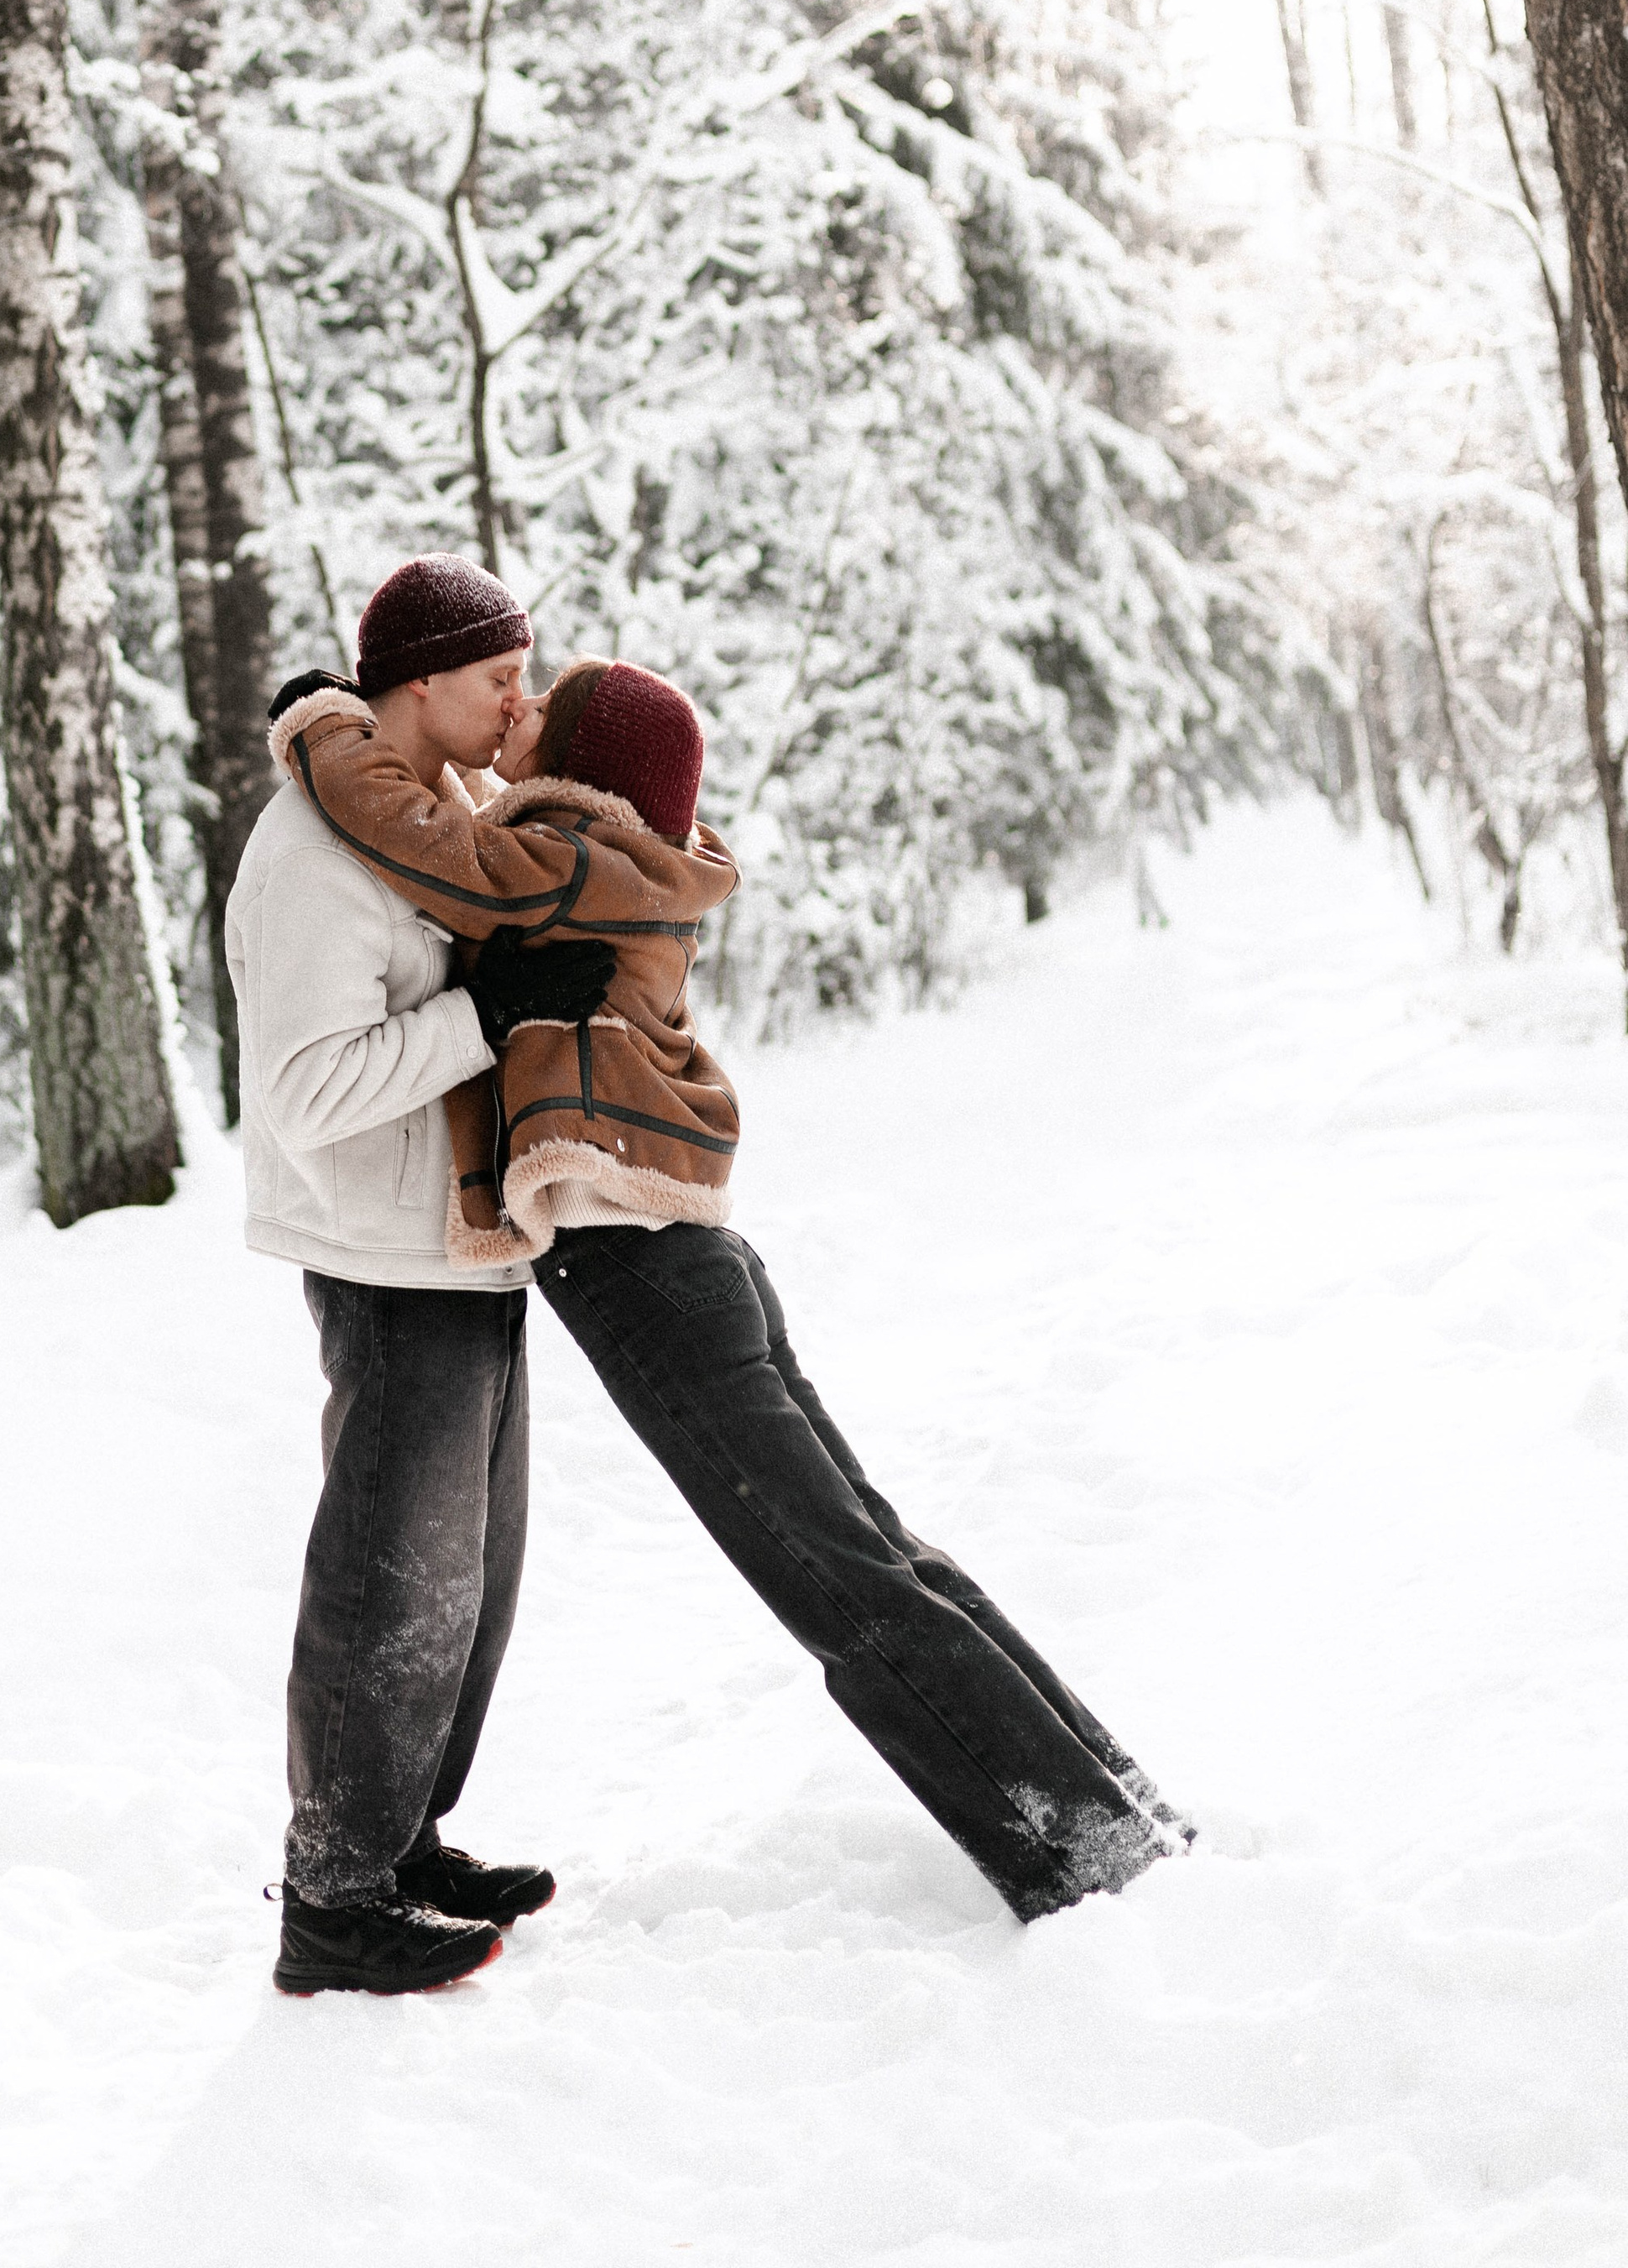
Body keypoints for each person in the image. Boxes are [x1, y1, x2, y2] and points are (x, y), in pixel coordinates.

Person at [263, 651, 1188, 1925]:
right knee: (878, 1556)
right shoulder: (619, 862)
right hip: (691, 1260)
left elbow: (420, 842)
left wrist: (324, 727)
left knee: (843, 1588)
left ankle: (1082, 1851)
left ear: (584, 778)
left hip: (646, 1277)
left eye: (541, 706)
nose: (514, 713)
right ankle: (1112, 1803)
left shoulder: (562, 861)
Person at [224, 556, 616, 1997]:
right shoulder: (318, 855)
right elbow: (310, 1090)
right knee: (389, 1578)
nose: (521, 693)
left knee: (474, 1577)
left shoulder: (430, 818)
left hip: (466, 1249)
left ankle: (402, 1841)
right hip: (382, 1261)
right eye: (499, 672)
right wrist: (485, 1013)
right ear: (419, 683)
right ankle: (332, 1898)